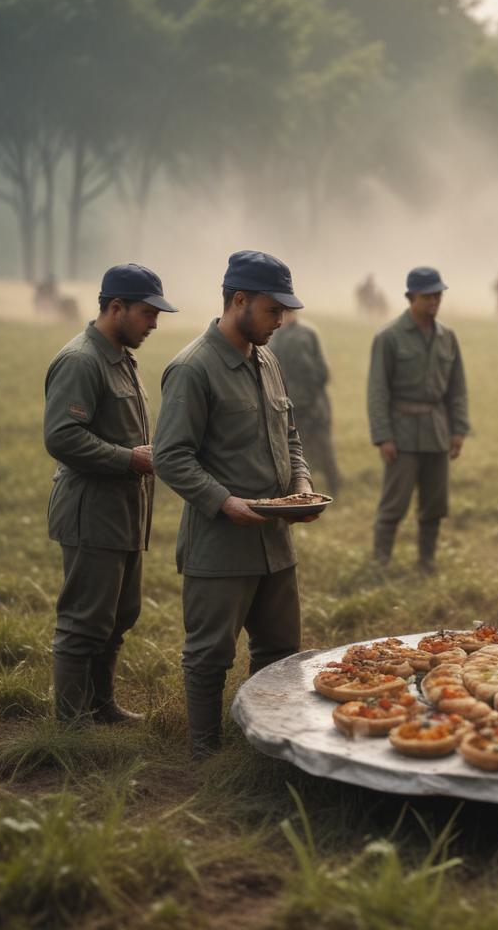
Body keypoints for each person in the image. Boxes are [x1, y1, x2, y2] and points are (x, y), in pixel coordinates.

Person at [154, 251, 318, 757]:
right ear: (239, 300)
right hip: (220, 543)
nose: (282, 321)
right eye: (274, 310)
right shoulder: (192, 369)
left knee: (280, 651)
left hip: (275, 540)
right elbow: (170, 456)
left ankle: (267, 741)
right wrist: (225, 503)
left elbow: (288, 433)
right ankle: (203, 749)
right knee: (210, 654)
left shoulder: (267, 359)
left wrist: (303, 481)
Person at [43, 264, 177, 722]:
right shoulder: (82, 359)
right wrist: (130, 459)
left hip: (125, 513)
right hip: (92, 513)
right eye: (147, 313)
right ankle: (69, 722)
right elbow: (61, 436)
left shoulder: (120, 355)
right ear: (115, 307)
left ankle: (101, 706)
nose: (155, 323)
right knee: (84, 622)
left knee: (119, 617)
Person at [367, 266, 469, 572]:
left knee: (435, 505)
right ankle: (381, 561)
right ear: (411, 297)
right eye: (428, 296)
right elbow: (377, 391)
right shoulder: (389, 337)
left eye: (438, 295)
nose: (434, 301)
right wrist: (383, 435)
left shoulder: (447, 337)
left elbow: (457, 388)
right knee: (393, 504)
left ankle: (426, 561)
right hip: (402, 432)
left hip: (437, 430)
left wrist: (459, 429)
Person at [269, 308, 341, 495]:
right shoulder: (272, 336)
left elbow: (322, 372)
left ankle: (334, 485)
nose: (283, 317)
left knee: (323, 448)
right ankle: (299, 491)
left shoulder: (308, 334)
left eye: (287, 312)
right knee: (293, 451)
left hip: (313, 404)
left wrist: (310, 392)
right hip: (287, 405)